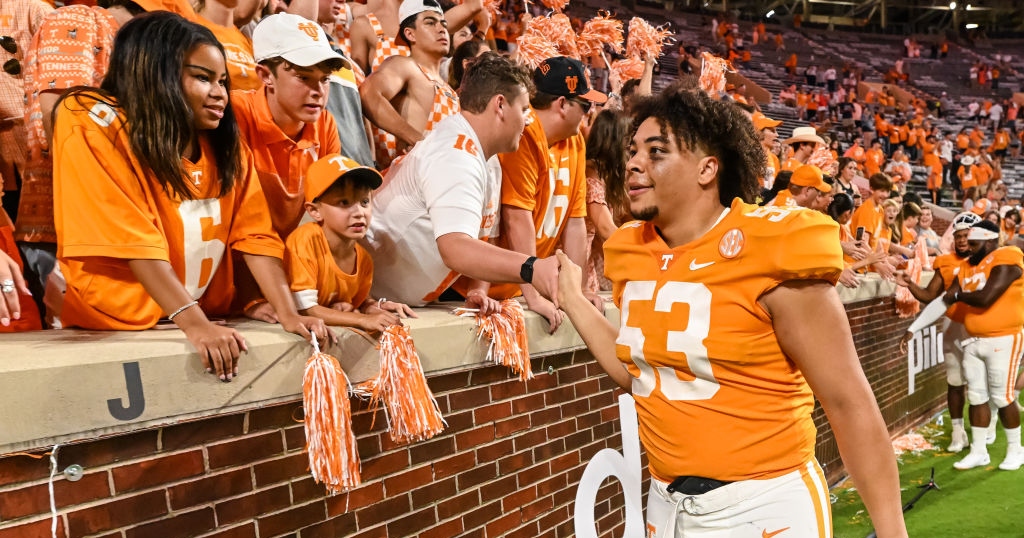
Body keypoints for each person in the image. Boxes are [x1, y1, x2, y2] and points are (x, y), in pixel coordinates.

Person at [555, 86, 907, 538]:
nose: (634, 163)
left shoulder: (771, 245)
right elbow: (641, 374)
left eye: (656, 151)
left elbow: (848, 403)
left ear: (707, 168)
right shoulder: (630, 249)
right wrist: (574, 299)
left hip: (764, 504)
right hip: (666, 505)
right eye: (632, 150)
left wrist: (891, 530)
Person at [51, 12, 330, 381]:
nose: (219, 93)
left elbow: (255, 235)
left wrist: (289, 313)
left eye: (222, 81)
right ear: (155, 70)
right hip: (114, 321)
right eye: (202, 78)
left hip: (191, 311)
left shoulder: (223, 143)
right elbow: (134, 238)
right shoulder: (91, 117)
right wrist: (195, 324)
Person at [362, 52, 560, 312]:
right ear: (500, 105)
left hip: (396, 300)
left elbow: (480, 237)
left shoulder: (485, 156)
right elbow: (455, 248)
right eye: (523, 109)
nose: (527, 120)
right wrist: (531, 268)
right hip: (367, 298)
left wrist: (477, 290)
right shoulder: (455, 154)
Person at [479, 56, 607, 331]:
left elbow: (575, 223)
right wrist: (533, 295)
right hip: (488, 288)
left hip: (521, 286)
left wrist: (578, 291)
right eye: (585, 105)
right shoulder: (523, 133)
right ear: (562, 104)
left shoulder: (575, 141)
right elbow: (516, 217)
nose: (589, 112)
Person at [904, 220, 1024, 471]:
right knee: (977, 396)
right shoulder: (968, 268)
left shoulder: (1008, 255)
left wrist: (958, 295)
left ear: (990, 241)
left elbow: (985, 297)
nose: (968, 248)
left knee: (1002, 397)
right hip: (973, 339)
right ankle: (979, 451)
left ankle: (1016, 449)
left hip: (1003, 337)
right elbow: (942, 300)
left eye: (974, 243)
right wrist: (912, 329)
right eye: (968, 242)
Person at [286, 154, 415, 330]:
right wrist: (362, 320)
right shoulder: (305, 241)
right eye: (344, 203)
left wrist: (375, 308)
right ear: (315, 211)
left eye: (364, 202)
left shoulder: (363, 259)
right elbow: (306, 310)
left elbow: (359, 303)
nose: (359, 212)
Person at [898, 212, 982, 453]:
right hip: (954, 326)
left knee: (982, 383)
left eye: (966, 236)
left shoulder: (990, 261)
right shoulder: (945, 262)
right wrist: (910, 285)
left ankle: (985, 430)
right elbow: (932, 297)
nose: (962, 240)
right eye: (958, 236)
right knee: (955, 381)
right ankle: (958, 432)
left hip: (984, 328)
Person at [360, 0, 460, 169]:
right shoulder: (405, 66)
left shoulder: (449, 89)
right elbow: (367, 94)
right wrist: (414, 138)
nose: (441, 28)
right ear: (410, 34)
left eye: (443, 23)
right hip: (410, 184)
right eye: (430, 23)